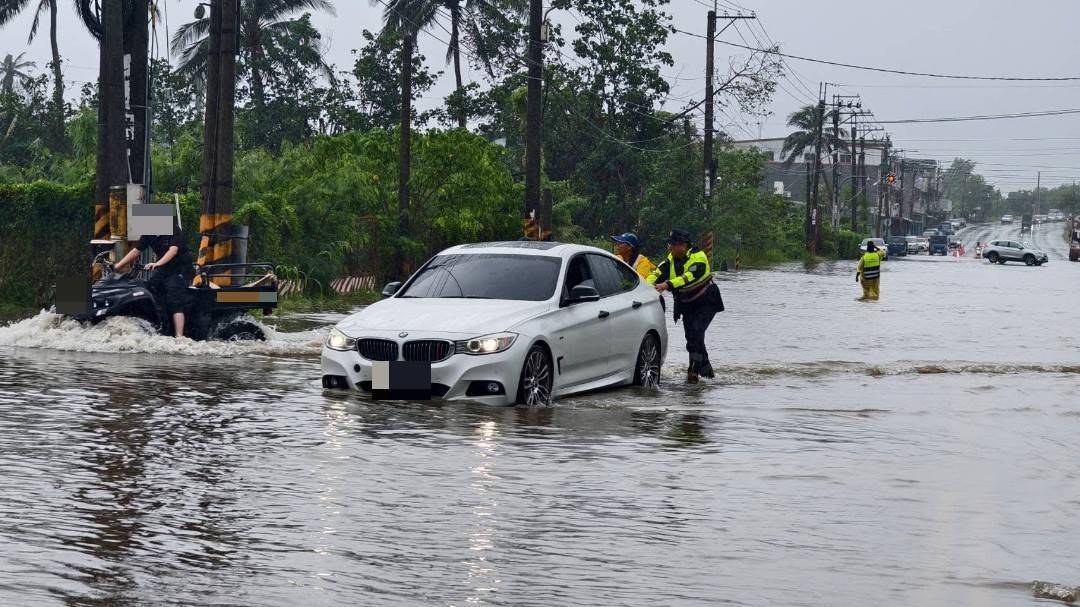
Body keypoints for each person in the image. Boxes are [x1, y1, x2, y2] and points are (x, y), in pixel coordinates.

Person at [647, 229, 725, 383]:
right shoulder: (670, 260)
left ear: (683, 245)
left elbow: (688, 277)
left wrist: (667, 284)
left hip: (706, 301)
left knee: (696, 332)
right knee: (691, 336)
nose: (669, 248)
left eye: (672, 245)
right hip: (686, 304)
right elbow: (656, 274)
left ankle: (693, 371)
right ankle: (705, 367)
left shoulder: (699, 258)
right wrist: (645, 285)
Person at [113, 217, 195, 337]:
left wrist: (157, 264)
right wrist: (117, 266)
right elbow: (136, 251)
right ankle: (159, 324)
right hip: (164, 269)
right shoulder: (148, 233)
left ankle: (179, 337)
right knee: (149, 288)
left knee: (174, 297)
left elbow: (173, 251)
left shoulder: (174, 229)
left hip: (180, 269)